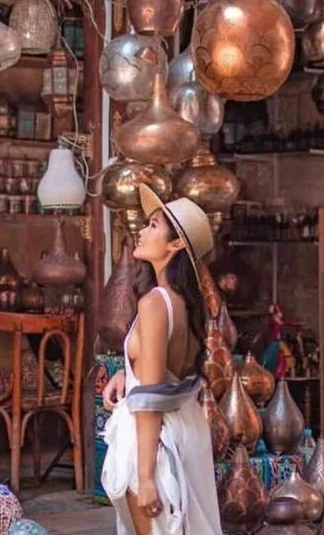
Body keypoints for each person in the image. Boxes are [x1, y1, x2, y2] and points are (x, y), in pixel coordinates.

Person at [100, 184, 223, 535]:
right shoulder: (184, 301)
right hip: (186, 427)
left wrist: (145, 476)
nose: (142, 231)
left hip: (155, 441)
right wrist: (128, 374)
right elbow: (168, 372)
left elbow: (151, 396)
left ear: (176, 244)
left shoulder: (155, 303)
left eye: (153, 225)